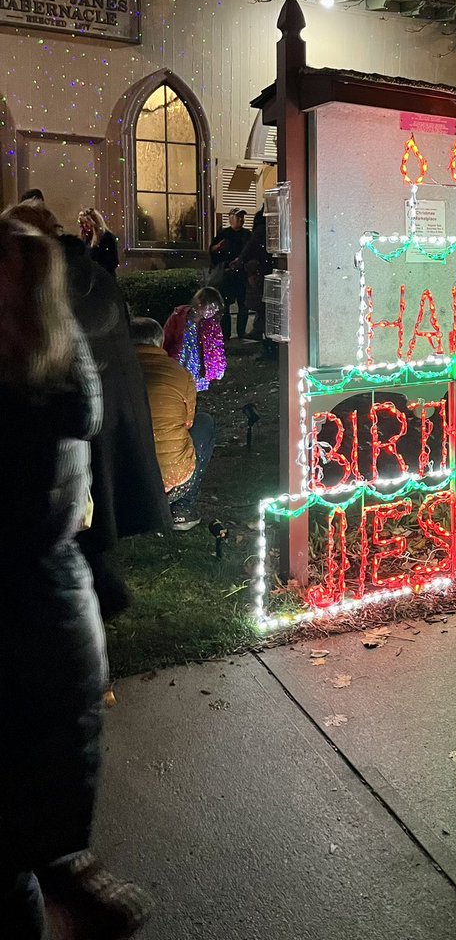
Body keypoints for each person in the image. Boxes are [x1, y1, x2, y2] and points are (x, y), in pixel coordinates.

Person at [0, 216, 152, 938]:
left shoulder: (23, 402)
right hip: (62, 625)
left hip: (28, 632)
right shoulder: (62, 371)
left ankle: (60, 871)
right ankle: (63, 867)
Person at [3, 201, 169, 619]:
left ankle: (100, 588)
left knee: (71, 531)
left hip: (79, 433)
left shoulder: (49, 289)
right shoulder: (89, 275)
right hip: (107, 419)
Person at [131, 316, 216, 532]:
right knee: (204, 423)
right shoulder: (180, 374)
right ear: (160, 342)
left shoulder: (112, 373)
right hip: (173, 480)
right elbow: (188, 422)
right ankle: (181, 509)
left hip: (124, 481)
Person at [163, 287, 227, 391]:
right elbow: (167, 336)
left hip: (199, 365)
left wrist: (218, 369)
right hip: (180, 362)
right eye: (210, 308)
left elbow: (217, 346)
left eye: (215, 309)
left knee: (194, 392)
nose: (212, 312)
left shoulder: (212, 323)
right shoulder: (179, 316)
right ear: (199, 303)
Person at [209, 207, 251, 339]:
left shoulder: (247, 234)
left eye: (242, 217)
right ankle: (225, 334)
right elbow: (212, 251)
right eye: (238, 217)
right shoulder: (224, 234)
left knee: (243, 305)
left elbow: (251, 251)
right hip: (227, 275)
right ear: (231, 218)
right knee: (225, 306)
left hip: (242, 275)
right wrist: (217, 248)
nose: (241, 220)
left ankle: (241, 333)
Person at [235, 207, 272, 341]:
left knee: (262, 303)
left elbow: (251, 246)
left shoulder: (259, 231)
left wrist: (241, 259)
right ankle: (261, 331)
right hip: (265, 268)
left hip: (261, 270)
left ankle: (261, 331)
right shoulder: (266, 230)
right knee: (264, 303)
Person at [78, 207, 120, 276]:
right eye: (82, 223)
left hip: (104, 279)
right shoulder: (86, 239)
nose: (84, 226)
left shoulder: (107, 237)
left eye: (86, 223)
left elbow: (113, 262)